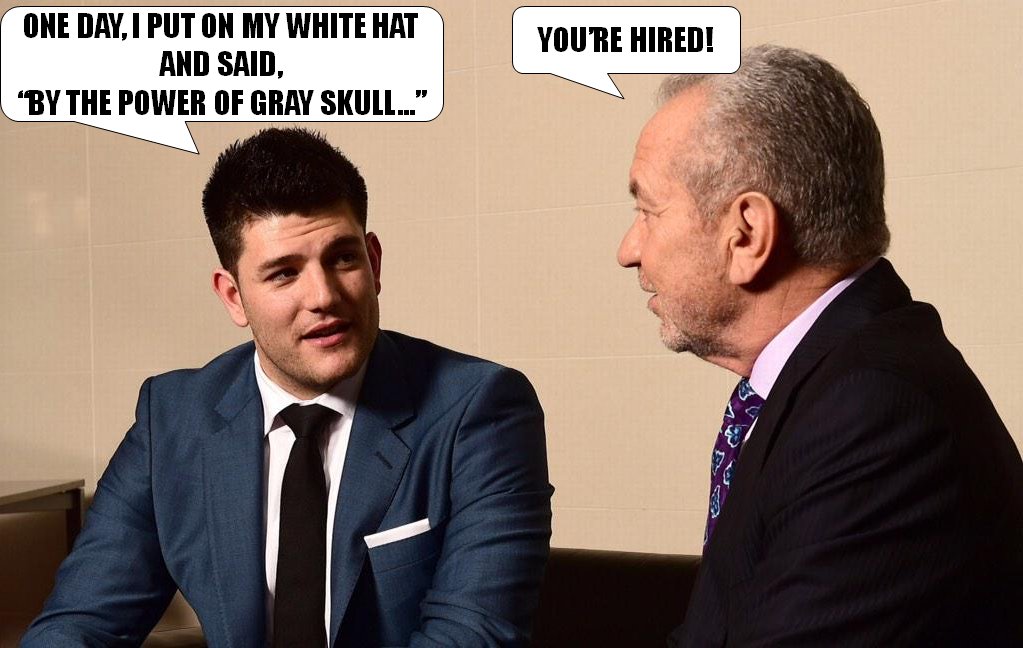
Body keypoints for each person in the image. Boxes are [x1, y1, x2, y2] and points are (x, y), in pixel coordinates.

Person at [23, 128, 553, 647]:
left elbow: (472, 633)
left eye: (342, 258)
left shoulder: (482, 409)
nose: (323, 296)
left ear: (373, 262)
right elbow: (81, 622)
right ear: (233, 297)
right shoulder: (172, 419)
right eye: (283, 273)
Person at [617, 45, 1023, 645]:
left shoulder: (873, 411)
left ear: (747, 233)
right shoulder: (829, 384)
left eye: (648, 211)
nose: (628, 250)